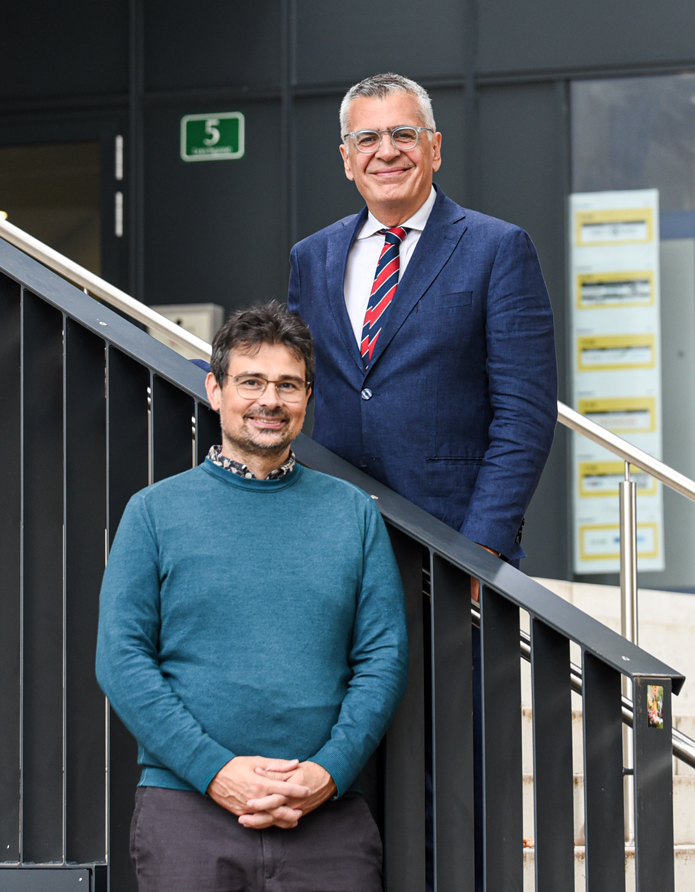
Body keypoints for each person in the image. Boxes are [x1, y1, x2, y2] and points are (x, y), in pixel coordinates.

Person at [95, 303, 407, 892]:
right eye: (251, 382)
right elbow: (121, 658)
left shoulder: (352, 515)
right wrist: (215, 772)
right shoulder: (155, 512)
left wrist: (327, 773)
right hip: (188, 813)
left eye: (288, 385)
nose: (270, 400)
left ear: (307, 398)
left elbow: (383, 659)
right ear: (215, 390)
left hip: (327, 818)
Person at [287, 72, 557, 565]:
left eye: (403, 135)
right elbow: (290, 371)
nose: (386, 152)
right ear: (348, 160)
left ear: (434, 149)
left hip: (449, 549)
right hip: (334, 540)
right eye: (367, 138)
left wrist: (483, 545)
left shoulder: (497, 248)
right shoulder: (312, 256)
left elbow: (526, 415)